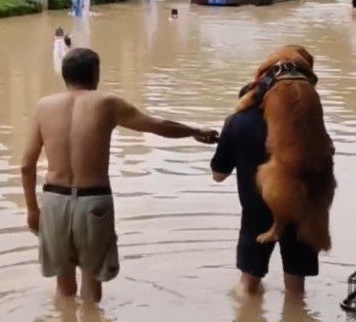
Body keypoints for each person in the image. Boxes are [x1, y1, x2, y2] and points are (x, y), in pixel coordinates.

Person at [21, 47, 218, 303]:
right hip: (94, 203)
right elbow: (158, 126)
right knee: (92, 282)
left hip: (54, 202)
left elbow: (27, 165)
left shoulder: (43, 107)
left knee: (64, 284)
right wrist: (194, 130)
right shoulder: (107, 104)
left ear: (64, 74)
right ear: (95, 73)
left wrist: (32, 210)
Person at [210, 84, 320, 297]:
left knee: (247, 283)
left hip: (257, 210)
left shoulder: (236, 122)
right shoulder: (304, 121)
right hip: (300, 207)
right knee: (296, 288)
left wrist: (230, 145)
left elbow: (218, 175)